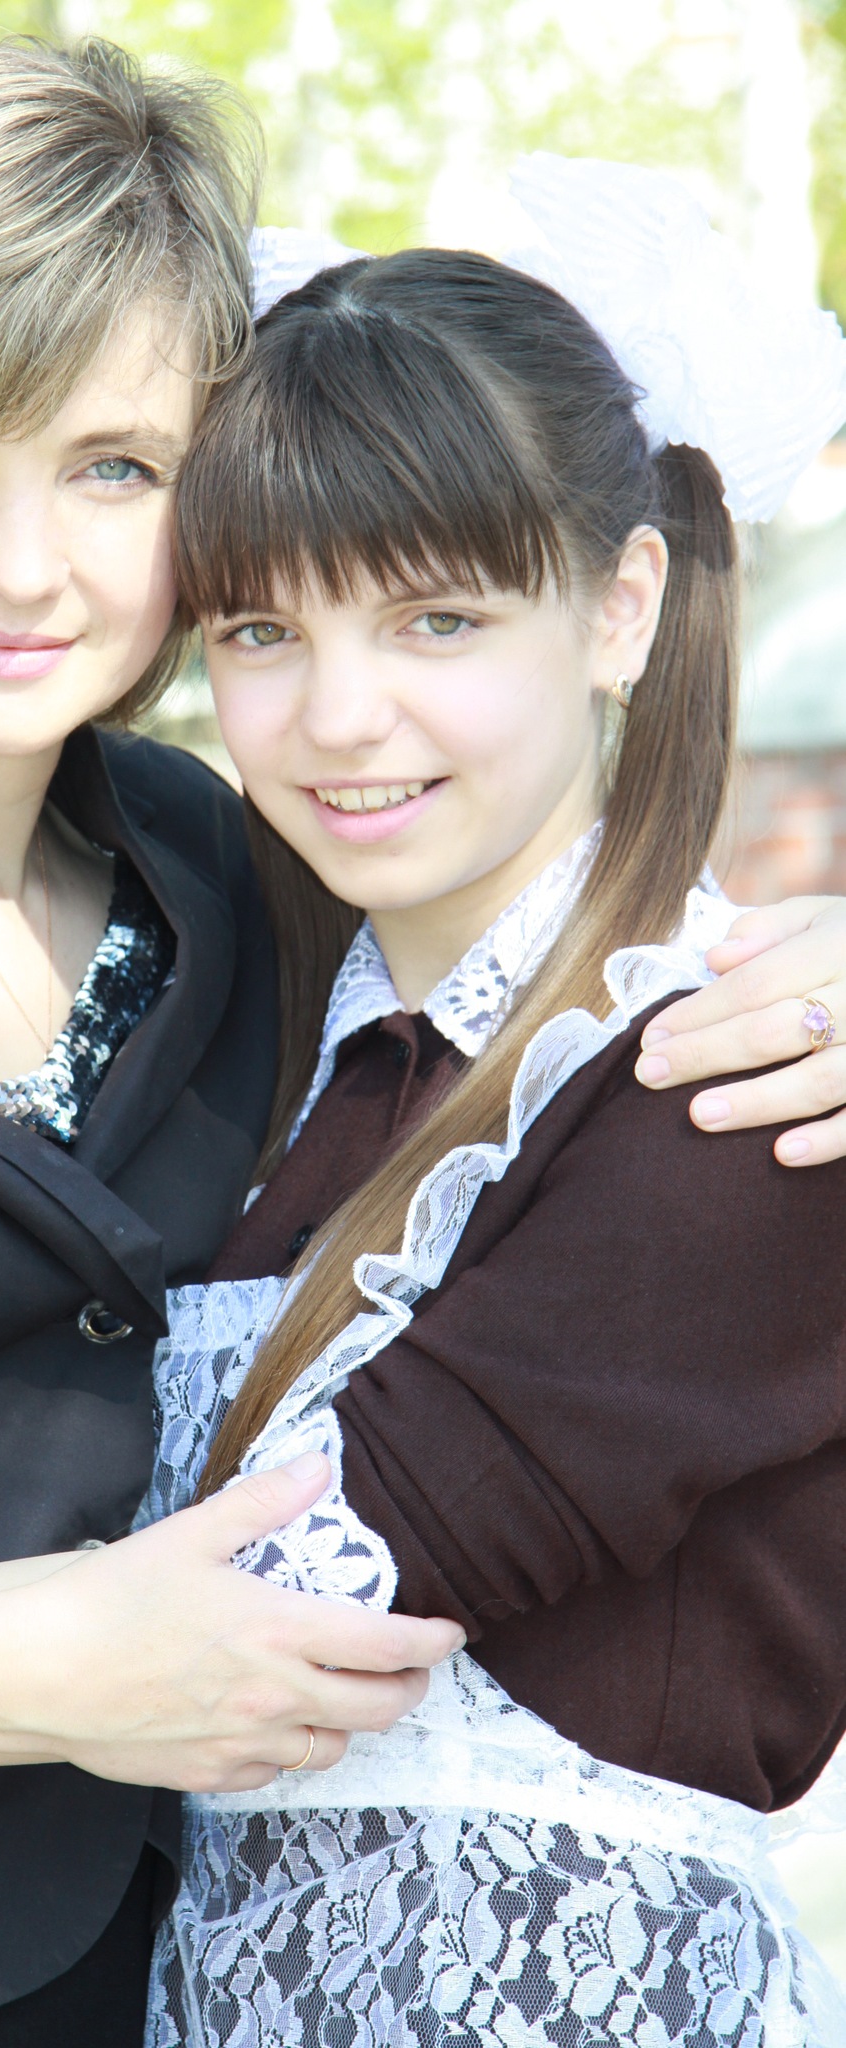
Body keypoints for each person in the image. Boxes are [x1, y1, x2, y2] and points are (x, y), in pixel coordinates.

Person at [0, 43, 838, 2046]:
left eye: (114, 468)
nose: (23, 564)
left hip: (146, 1981)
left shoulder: (232, 872)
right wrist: (36, 1658)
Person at [140, 156, 846, 2046]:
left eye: (434, 622)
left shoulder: (737, 1077)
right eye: (260, 631)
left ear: (619, 607)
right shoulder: (252, 1043)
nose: (335, 716)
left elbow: (298, 1604)